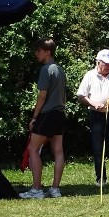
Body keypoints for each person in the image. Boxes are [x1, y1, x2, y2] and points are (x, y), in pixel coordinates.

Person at [19, 38, 67, 199]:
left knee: (33, 149)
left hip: (47, 114)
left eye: (39, 51)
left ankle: (36, 189)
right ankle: (55, 189)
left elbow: (42, 96)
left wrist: (34, 117)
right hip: (60, 114)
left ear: (48, 52)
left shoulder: (46, 70)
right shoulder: (60, 70)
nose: (36, 54)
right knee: (58, 151)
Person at [76, 49, 109, 188]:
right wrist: (94, 104)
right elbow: (81, 95)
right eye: (106, 64)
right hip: (95, 115)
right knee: (98, 148)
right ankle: (101, 179)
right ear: (98, 63)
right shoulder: (90, 75)